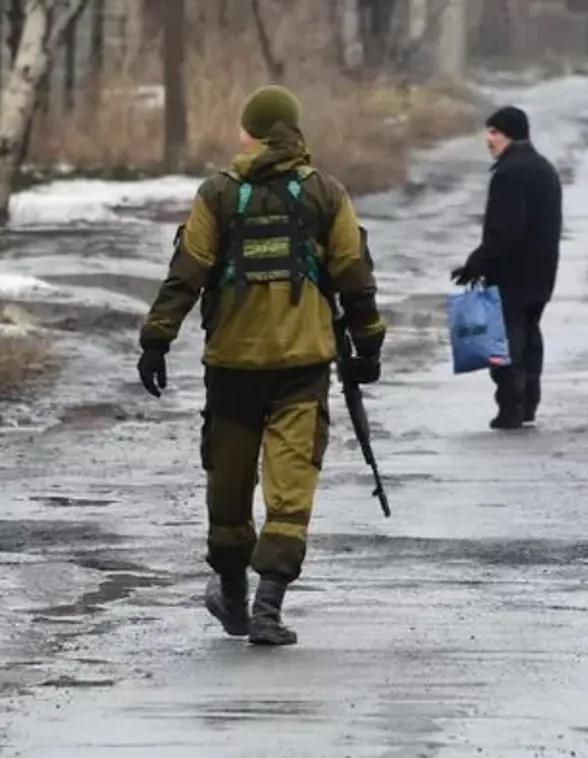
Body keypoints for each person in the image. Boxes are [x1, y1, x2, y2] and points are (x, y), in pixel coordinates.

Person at [136, 85, 386, 647]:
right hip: (302, 369)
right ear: (294, 133)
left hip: (232, 369)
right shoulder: (326, 194)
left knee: (227, 487)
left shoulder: (218, 195)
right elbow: (354, 275)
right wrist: (368, 344)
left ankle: (232, 594)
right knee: (291, 488)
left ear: (252, 133)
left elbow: (188, 272)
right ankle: (267, 607)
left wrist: (156, 339)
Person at [451, 106, 563, 430]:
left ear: (510, 135)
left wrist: (479, 261)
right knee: (529, 335)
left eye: (495, 132)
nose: (488, 139)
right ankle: (528, 404)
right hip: (543, 273)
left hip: (513, 274)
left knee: (507, 341)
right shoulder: (544, 169)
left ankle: (510, 408)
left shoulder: (509, 174)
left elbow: (506, 229)